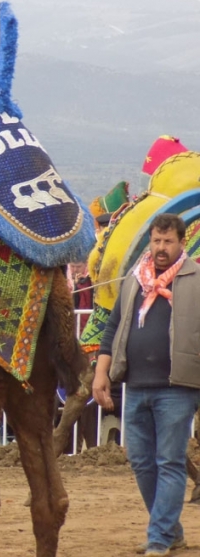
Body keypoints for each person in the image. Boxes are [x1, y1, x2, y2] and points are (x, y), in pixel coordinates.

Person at [93, 213, 200, 557]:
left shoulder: (196, 279)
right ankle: (172, 532)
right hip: (135, 384)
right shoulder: (134, 281)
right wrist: (101, 373)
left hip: (177, 386)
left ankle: (158, 538)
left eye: (168, 241)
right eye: (156, 240)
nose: (161, 247)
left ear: (182, 243)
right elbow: (112, 329)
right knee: (141, 461)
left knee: (169, 460)